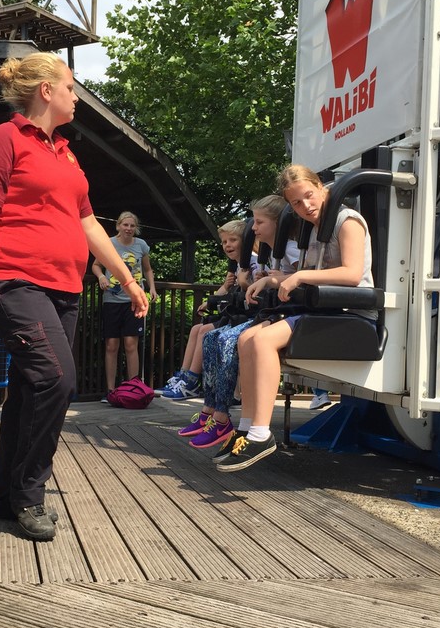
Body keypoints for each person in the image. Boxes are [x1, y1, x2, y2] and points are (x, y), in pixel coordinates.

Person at [0, 51, 149, 542]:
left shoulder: (66, 153)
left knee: (30, 388)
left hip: (64, 288)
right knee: (57, 379)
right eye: (71, 88)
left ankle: (6, 495)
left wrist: (128, 279)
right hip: (12, 279)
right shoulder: (3, 139)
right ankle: (29, 494)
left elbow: (88, 223)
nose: (76, 97)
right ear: (46, 90)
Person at [215, 163, 375, 471]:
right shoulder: (314, 229)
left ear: (321, 188)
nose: (306, 206)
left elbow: (352, 274)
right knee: (246, 339)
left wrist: (299, 276)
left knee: (262, 341)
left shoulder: (347, 221)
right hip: (321, 309)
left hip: (349, 312)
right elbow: (310, 274)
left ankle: (262, 434)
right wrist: (272, 280)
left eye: (309, 196)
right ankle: (247, 427)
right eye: (296, 203)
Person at [179, 194, 299, 448]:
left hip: (278, 315)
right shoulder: (270, 253)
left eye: (259, 223)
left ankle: (222, 417)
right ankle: (209, 411)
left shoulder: (289, 249)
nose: (253, 228)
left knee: (225, 341)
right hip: (268, 313)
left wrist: (269, 280)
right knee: (211, 338)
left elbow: (300, 279)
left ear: (277, 223)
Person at [159, 218, 250, 400]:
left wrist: (242, 283)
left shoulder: (250, 263)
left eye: (233, 240)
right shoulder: (236, 265)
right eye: (224, 242)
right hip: (235, 313)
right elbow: (226, 289)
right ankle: (184, 377)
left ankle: (192, 382)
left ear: (245, 241)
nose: (227, 245)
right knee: (196, 329)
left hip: (244, 316)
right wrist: (212, 299)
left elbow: (252, 292)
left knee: (204, 331)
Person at [91, 210, 157, 400]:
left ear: (136, 228)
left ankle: (134, 389)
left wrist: (152, 287)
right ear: (118, 225)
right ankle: (110, 390)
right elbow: (96, 265)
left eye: (132, 225)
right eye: (125, 225)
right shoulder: (109, 243)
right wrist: (101, 276)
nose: (128, 228)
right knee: (111, 345)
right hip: (112, 299)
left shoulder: (141, 245)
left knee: (131, 344)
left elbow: (147, 269)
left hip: (134, 300)